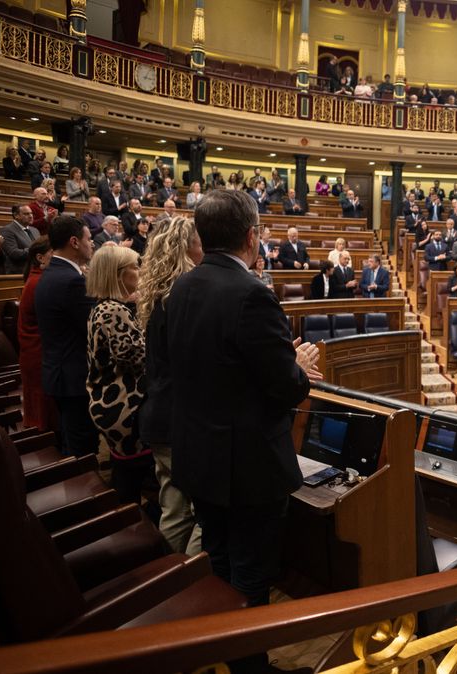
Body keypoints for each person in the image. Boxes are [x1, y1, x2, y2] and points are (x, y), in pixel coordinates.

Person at [164, 189, 321, 619]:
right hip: (246, 467)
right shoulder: (251, 294)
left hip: (200, 455)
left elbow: (214, 365)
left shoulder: (182, 286)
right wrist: (298, 365)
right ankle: (249, 662)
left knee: (218, 561)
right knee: (252, 571)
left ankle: (222, 654)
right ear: (252, 237)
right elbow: (287, 389)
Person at [136, 216, 205, 555]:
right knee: (205, 514)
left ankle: (169, 586)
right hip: (182, 421)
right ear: (187, 246)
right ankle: (191, 587)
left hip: (159, 417)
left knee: (174, 511)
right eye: (199, 240)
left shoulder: (158, 292)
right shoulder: (186, 293)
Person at [85, 245, 152, 505]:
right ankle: (131, 530)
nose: (140, 271)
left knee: (127, 476)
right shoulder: (114, 311)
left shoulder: (108, 307)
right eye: (135, 267)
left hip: (113, 405)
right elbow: (138, 358)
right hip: (123, 407)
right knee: (129, 480)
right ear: (118, 275)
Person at [34, 215, 98, 457]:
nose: (91, 244)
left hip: (61, 373)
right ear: (74, 241)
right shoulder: (70, 280)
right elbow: (92, 326)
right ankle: (86, 493)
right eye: (88, 239)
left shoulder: (53, 273)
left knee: (73, 443)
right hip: (73, 377)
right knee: (82, 450)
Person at [17, 237, 55, 433]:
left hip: (36, 353)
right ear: (40, 258)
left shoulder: (37, 278)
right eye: (53, 254)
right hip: (38, 354)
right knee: (44, 420)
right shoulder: (38, 282)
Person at [1, 204, 41, 275]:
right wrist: (36, 250)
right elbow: (14, 253)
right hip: (19, 273)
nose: (31, 216)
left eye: (31, 213)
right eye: (26, 214)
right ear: (16, 215)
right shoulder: (7, 230)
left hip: (37, 271)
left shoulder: (35, 230)